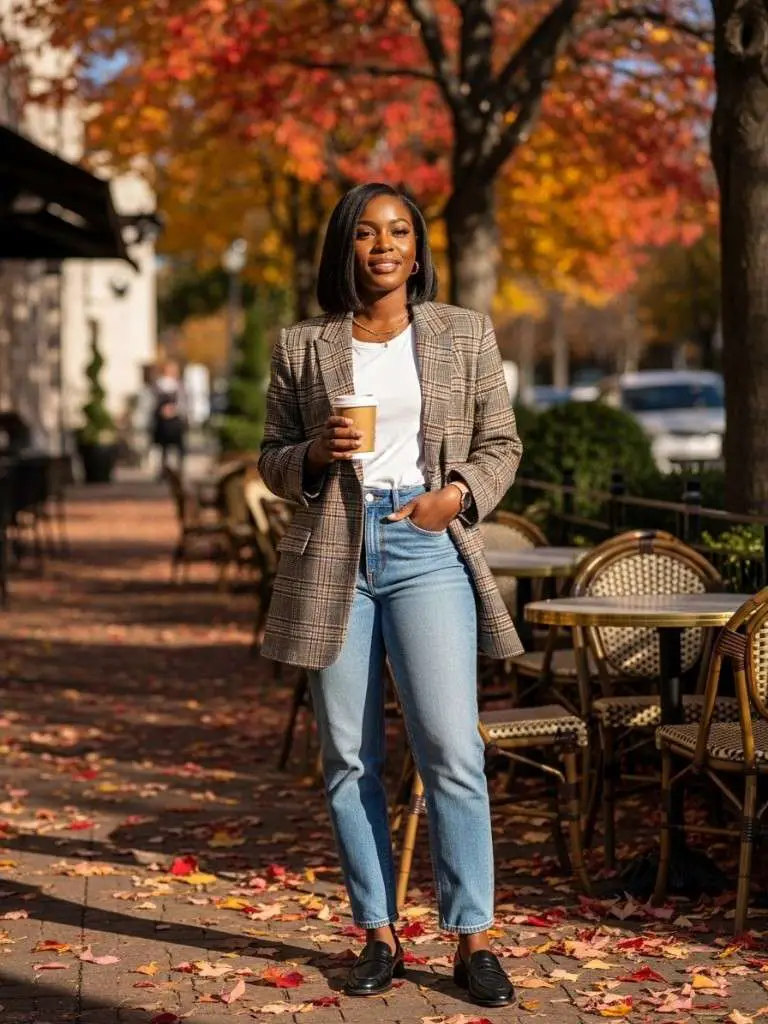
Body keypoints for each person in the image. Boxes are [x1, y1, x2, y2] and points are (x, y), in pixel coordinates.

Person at [258, 183, 523, 1008]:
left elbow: (501, 440)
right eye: (368, 232)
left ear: (417, 247)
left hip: (424, 540)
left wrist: (458, 493)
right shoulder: (303, 345)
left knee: (451, 747)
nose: (384, 245)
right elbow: (269, 456)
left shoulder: (462, 332)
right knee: (347, 755)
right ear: (345, 247)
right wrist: (309, 452)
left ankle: (472, 937)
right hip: (333, 548)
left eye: (399, 231)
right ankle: (377, 932)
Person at [151, 361, 187, 477]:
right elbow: (152, 401)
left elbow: (184, 402)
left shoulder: (179, 385)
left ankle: (179, 470)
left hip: (175, 421)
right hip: (162, 421)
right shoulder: (158, 385)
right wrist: (161, 411)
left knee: (179, 447)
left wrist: (175, 410)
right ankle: (163, 471)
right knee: (163, 448)